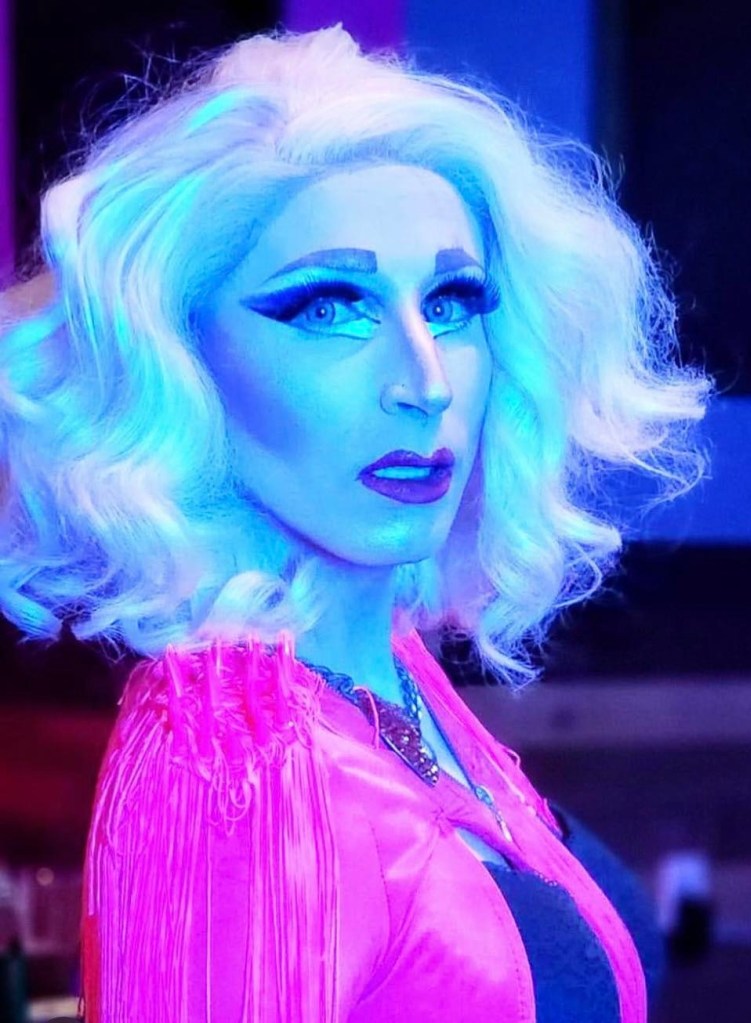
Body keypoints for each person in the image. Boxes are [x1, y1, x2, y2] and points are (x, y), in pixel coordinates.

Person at [0, 26, 709, 1023]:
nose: (424, 380)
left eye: (452, 302)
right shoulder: (229, 753)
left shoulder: (384, 668)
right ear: (177, 356)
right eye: (330, 308)